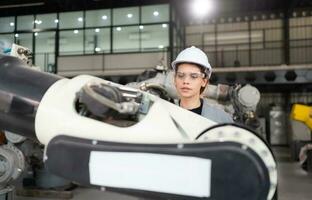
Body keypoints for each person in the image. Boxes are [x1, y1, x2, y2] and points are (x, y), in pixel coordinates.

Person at [172, 46, 233, 123]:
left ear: (204, 81)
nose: (185, 81)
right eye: (180, 75)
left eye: (193, 76)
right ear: (174, 79)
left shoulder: (221, 120)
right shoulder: (164, 117)